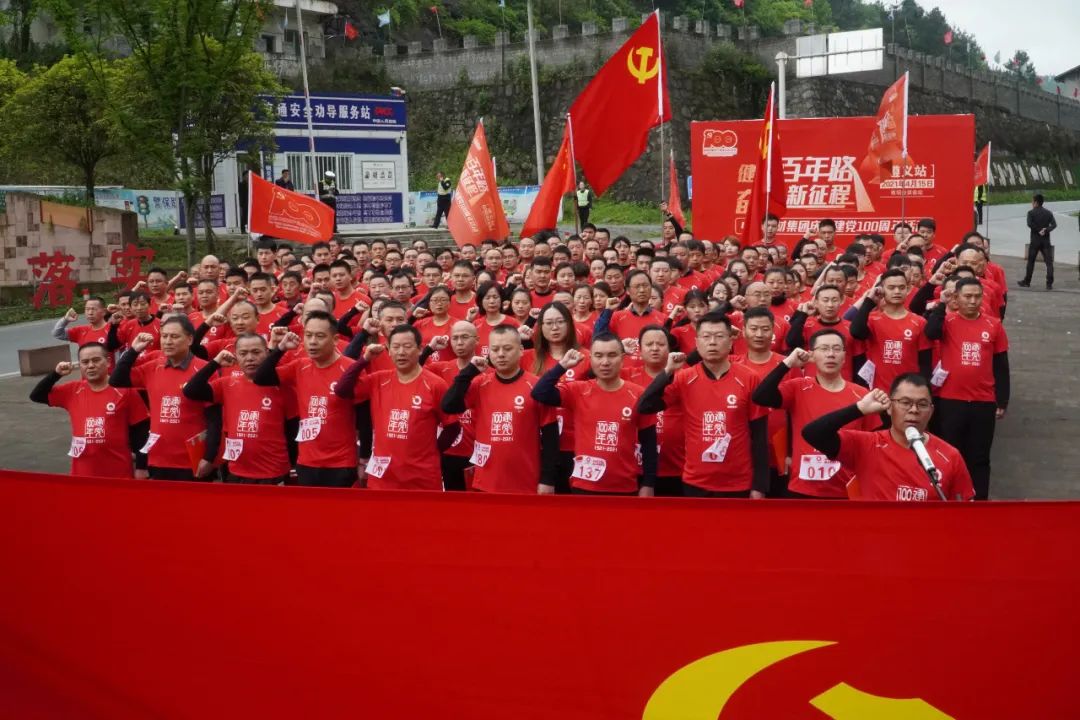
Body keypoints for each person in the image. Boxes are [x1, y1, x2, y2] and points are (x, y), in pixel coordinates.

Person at [637, 312, 770, 498]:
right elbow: (645, 406)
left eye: (719, 336)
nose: (712, 342)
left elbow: (760, 436)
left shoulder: (749, 378)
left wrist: (759, 486)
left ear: (730, 342)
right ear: (697, 343)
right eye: (706, 337)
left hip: (738, 482)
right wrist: (667, 371)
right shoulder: (684, 378)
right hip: (695, 481)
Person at [801, 374, 975, 502]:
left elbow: (963, 514)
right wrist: (859, 408)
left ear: (931, 411)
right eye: (905, 403)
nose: (914, 410)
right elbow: (813, 433)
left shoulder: (950, 455)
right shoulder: (867, 444)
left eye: (922, 404)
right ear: (890, 407)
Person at [752, 333, 878, 499]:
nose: (831, 354)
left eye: (836, 349)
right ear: (811, 355)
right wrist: (788, 363)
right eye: (824, 349)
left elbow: (871, 447)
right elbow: (761, 397)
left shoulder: (862, 396)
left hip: (846, 492)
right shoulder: (798, 388)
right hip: (802, 489)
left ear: (844, 356)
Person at [531, 334, 657, 496]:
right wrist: (562, 366)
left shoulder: (639, 395)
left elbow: (649, 443)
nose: (605, 362)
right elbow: (540, 393)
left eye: (612, 355)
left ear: (622, 359)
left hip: (625, 487)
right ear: (590, 359)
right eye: (598, 356)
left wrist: (648, 483)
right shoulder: (578, 390)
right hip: (584, 486)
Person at [334, 325, 456, 491]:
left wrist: (432, 451)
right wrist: (364, 360)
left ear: (420, 349)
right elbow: (342, 390)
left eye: (407, 346)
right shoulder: (379, 380)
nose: (401, 352)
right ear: (389, 351)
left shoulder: (435, 385)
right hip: (383, 478)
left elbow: (452, 426)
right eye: (396, 347)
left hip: (422, 478)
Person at [441, 325, 559, 494]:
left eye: (507, 349)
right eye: (495, 349)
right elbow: (449, 405)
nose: (501, 354)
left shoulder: (536, 387)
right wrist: (469, 372)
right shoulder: (480, 383)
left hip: (526, 481)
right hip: (485, 482)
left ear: (520, 350)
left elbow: (550, 437)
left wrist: (547, 479)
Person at [924, 278, 1010, 501]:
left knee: (979, 457)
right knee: (950, 454)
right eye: (967, 296)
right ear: (957, 298)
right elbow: (931, 332)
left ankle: (979, 502)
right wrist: (942, 304)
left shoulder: (993, 325)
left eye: (977, 296)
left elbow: (1001, 364)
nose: (973, 301)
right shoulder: (947, 322)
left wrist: (1002, 399)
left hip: (983, 401)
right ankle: (948, 500)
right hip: (950, 400)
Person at [254, 312, 358, 488]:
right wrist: (280, 348)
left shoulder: (350, 368)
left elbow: (363, 412)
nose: (312, 342)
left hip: (341, 462)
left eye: (320, 336)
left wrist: (363, 458)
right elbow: (261, 378)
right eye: (308, 335)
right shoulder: (300, 366)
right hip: (307, 461)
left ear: (335, 339)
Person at [109, 316, 218, 482]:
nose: (167, 341)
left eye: (174, 336)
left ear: (190, 339)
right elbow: (116, 380)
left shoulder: (204, 369)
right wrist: (133, 350)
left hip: (193, 459)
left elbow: (214, 419)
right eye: (164, 336)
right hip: (158, 457)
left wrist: (209, 457)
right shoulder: (153, 367)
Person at [182, 334, 297, 485]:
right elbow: (191, 390)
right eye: (243, 353)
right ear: (236, 356)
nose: (250, 358)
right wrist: (215, 363)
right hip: (236, 471)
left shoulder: (283, 387)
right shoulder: (227, 384)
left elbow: (294, 430)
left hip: (274, 472)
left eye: (256, 352)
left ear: (267, 353)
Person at [30, 343, 149, 479]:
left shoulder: (125, 391)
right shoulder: (72, 390)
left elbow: (142, 434)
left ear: (108, 362)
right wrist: (56, 374)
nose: (91, 366)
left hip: (118, 473)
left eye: (96, 360)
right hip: (82, 474)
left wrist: (141, 467)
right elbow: (37, 395)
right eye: (85, 362)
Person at [849, 269, 932, 393]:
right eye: (891, 288)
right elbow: (856, 331)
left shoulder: (919, 322)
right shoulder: (872, 320)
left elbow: (925, 363)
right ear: (882, 290)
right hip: (878, 392)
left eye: (901, 287)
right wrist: (869, 301)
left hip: (908, 393)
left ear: (907, 289)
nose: (897, 291)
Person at [1020, 193, 1056, 289]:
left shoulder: (1031, 213)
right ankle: (1049, 284)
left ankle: (1027, 281)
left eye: (1032, 201)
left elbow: (1029, 224)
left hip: (1035, 241)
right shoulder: (1048, 213)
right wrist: (1046, 230)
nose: (1032, 203)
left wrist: (1038, 230)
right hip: (1046, 241)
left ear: (1036, 202)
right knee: (1049, 262)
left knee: (1031, 262)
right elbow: (1054, 225)